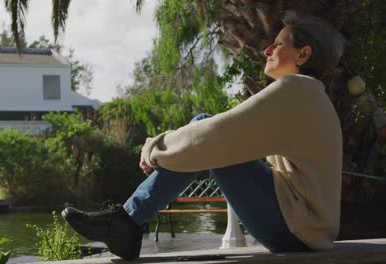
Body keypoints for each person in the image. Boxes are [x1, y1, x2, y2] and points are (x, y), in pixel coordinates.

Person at [62, 11, 345, 260]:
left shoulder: (296, 91)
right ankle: (126, 222)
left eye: (280, 43)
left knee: (205, 129)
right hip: (305, 229)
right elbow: (229, 136)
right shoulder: (309, 96)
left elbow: (217, 134)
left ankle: (125, 223)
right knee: (206, 133)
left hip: (295, 230)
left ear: (303, 54)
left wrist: (154, 148)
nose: (268, 49)